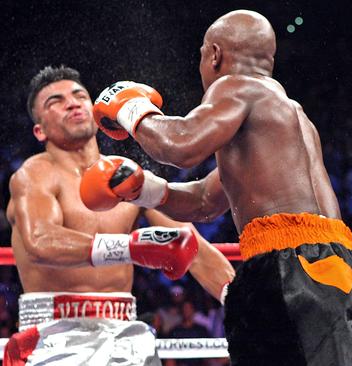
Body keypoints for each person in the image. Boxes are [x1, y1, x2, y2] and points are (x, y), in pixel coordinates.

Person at [88, 9, 352, 366]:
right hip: (348, 273)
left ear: (214, 54)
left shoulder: (236, 86)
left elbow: (180, 144)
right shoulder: (292, 117)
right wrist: (144, 189)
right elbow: (203, 201)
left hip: (294, 272)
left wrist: (131, 108)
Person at [4, 65, 235, 365]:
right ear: (40, 130)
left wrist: (242, 301)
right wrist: (130, 248)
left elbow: (193, 250)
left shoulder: (126, 176)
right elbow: (40, 240)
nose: (72, 103)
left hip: (126, 334)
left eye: (79, 96)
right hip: (53, 333)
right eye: (56, 101)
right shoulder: (34, 175)